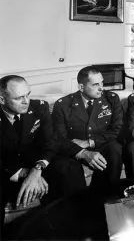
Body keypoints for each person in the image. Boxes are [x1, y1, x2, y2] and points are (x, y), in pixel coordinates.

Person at [0, 75, 85, 229]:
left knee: (69, 167)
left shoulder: (40, 107)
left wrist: (38, 168)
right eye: (19, 98)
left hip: (35, 162)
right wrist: (26, 173)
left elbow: (51, 141)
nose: (26, 101)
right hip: (7, 169)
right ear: (2, 100)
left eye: (28, 94)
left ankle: (77, 222)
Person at [52, 66, 124, 191]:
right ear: (81, 87)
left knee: (115, 149)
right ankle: (82, 202)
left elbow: (118, 129)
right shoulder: (63, 105)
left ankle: (108, 195)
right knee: (67, 166)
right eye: (95, 84)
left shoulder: (111, 99)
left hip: (102, 143)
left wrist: (90, 142)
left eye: (102, 82)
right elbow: (59, 138)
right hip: (75, 148)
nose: (101, 88)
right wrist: (81, 152)